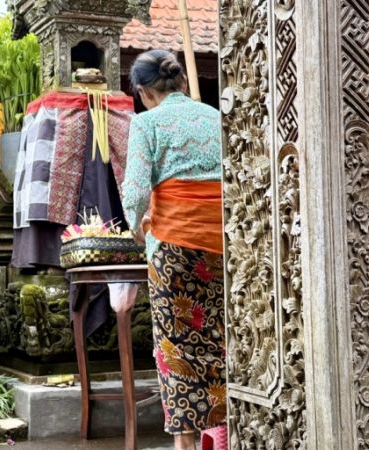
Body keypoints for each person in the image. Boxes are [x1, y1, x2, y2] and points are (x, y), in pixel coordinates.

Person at [121, 50, 225, 450]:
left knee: (174, 345)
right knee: (217, 337)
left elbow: (134, 191)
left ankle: (184, 442)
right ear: (181, 82)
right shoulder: (214, 117)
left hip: (175, 248)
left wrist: (135, 230)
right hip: (221, 244)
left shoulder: (147, 123)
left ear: (145, 92)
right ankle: (221, 429)